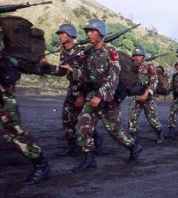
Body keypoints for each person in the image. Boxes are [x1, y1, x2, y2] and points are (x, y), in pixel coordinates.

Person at [60, 19, 142, 172]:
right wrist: (72, 70)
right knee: (83, 126)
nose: (89, 34)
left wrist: (101, 95)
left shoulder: (110, 52)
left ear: (101, 33)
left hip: (107, 99)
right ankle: (89, 160)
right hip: (91, 95)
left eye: (92, 31)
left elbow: (114, 77)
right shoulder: (90, 53)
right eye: (87, 31)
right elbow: (85, 76)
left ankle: (133, 147)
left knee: (115, 131)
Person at [0, 26, 50, 185]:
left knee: (12, 130)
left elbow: (19, 62)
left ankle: (40, 163)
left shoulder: (4, 39)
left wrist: (52, 69)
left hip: (3, 90)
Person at [50, 23, 105, 156]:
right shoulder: (63, 51)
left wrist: (81, 94)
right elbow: (63, 72)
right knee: (67, 118)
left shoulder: (81, 51)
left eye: (63, 34)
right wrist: (47, 68)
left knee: (83, 119)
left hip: (83, 89)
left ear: (70, 36)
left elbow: (86, 74)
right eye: (59, 34)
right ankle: (72, 146)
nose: (60, 36)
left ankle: (96, 138)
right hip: (71, 88)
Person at [128, 46, 164, 144]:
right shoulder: (132, 67)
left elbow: (154, 80)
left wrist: (147, 93)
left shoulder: (149, 66)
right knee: (132, 116)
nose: (137, 57)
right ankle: (133, 135)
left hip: (147, 95)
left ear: (143, 56)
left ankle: (160, 132)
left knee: (151, 118)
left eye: (139, 56)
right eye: (135, 55)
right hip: (136, 95)